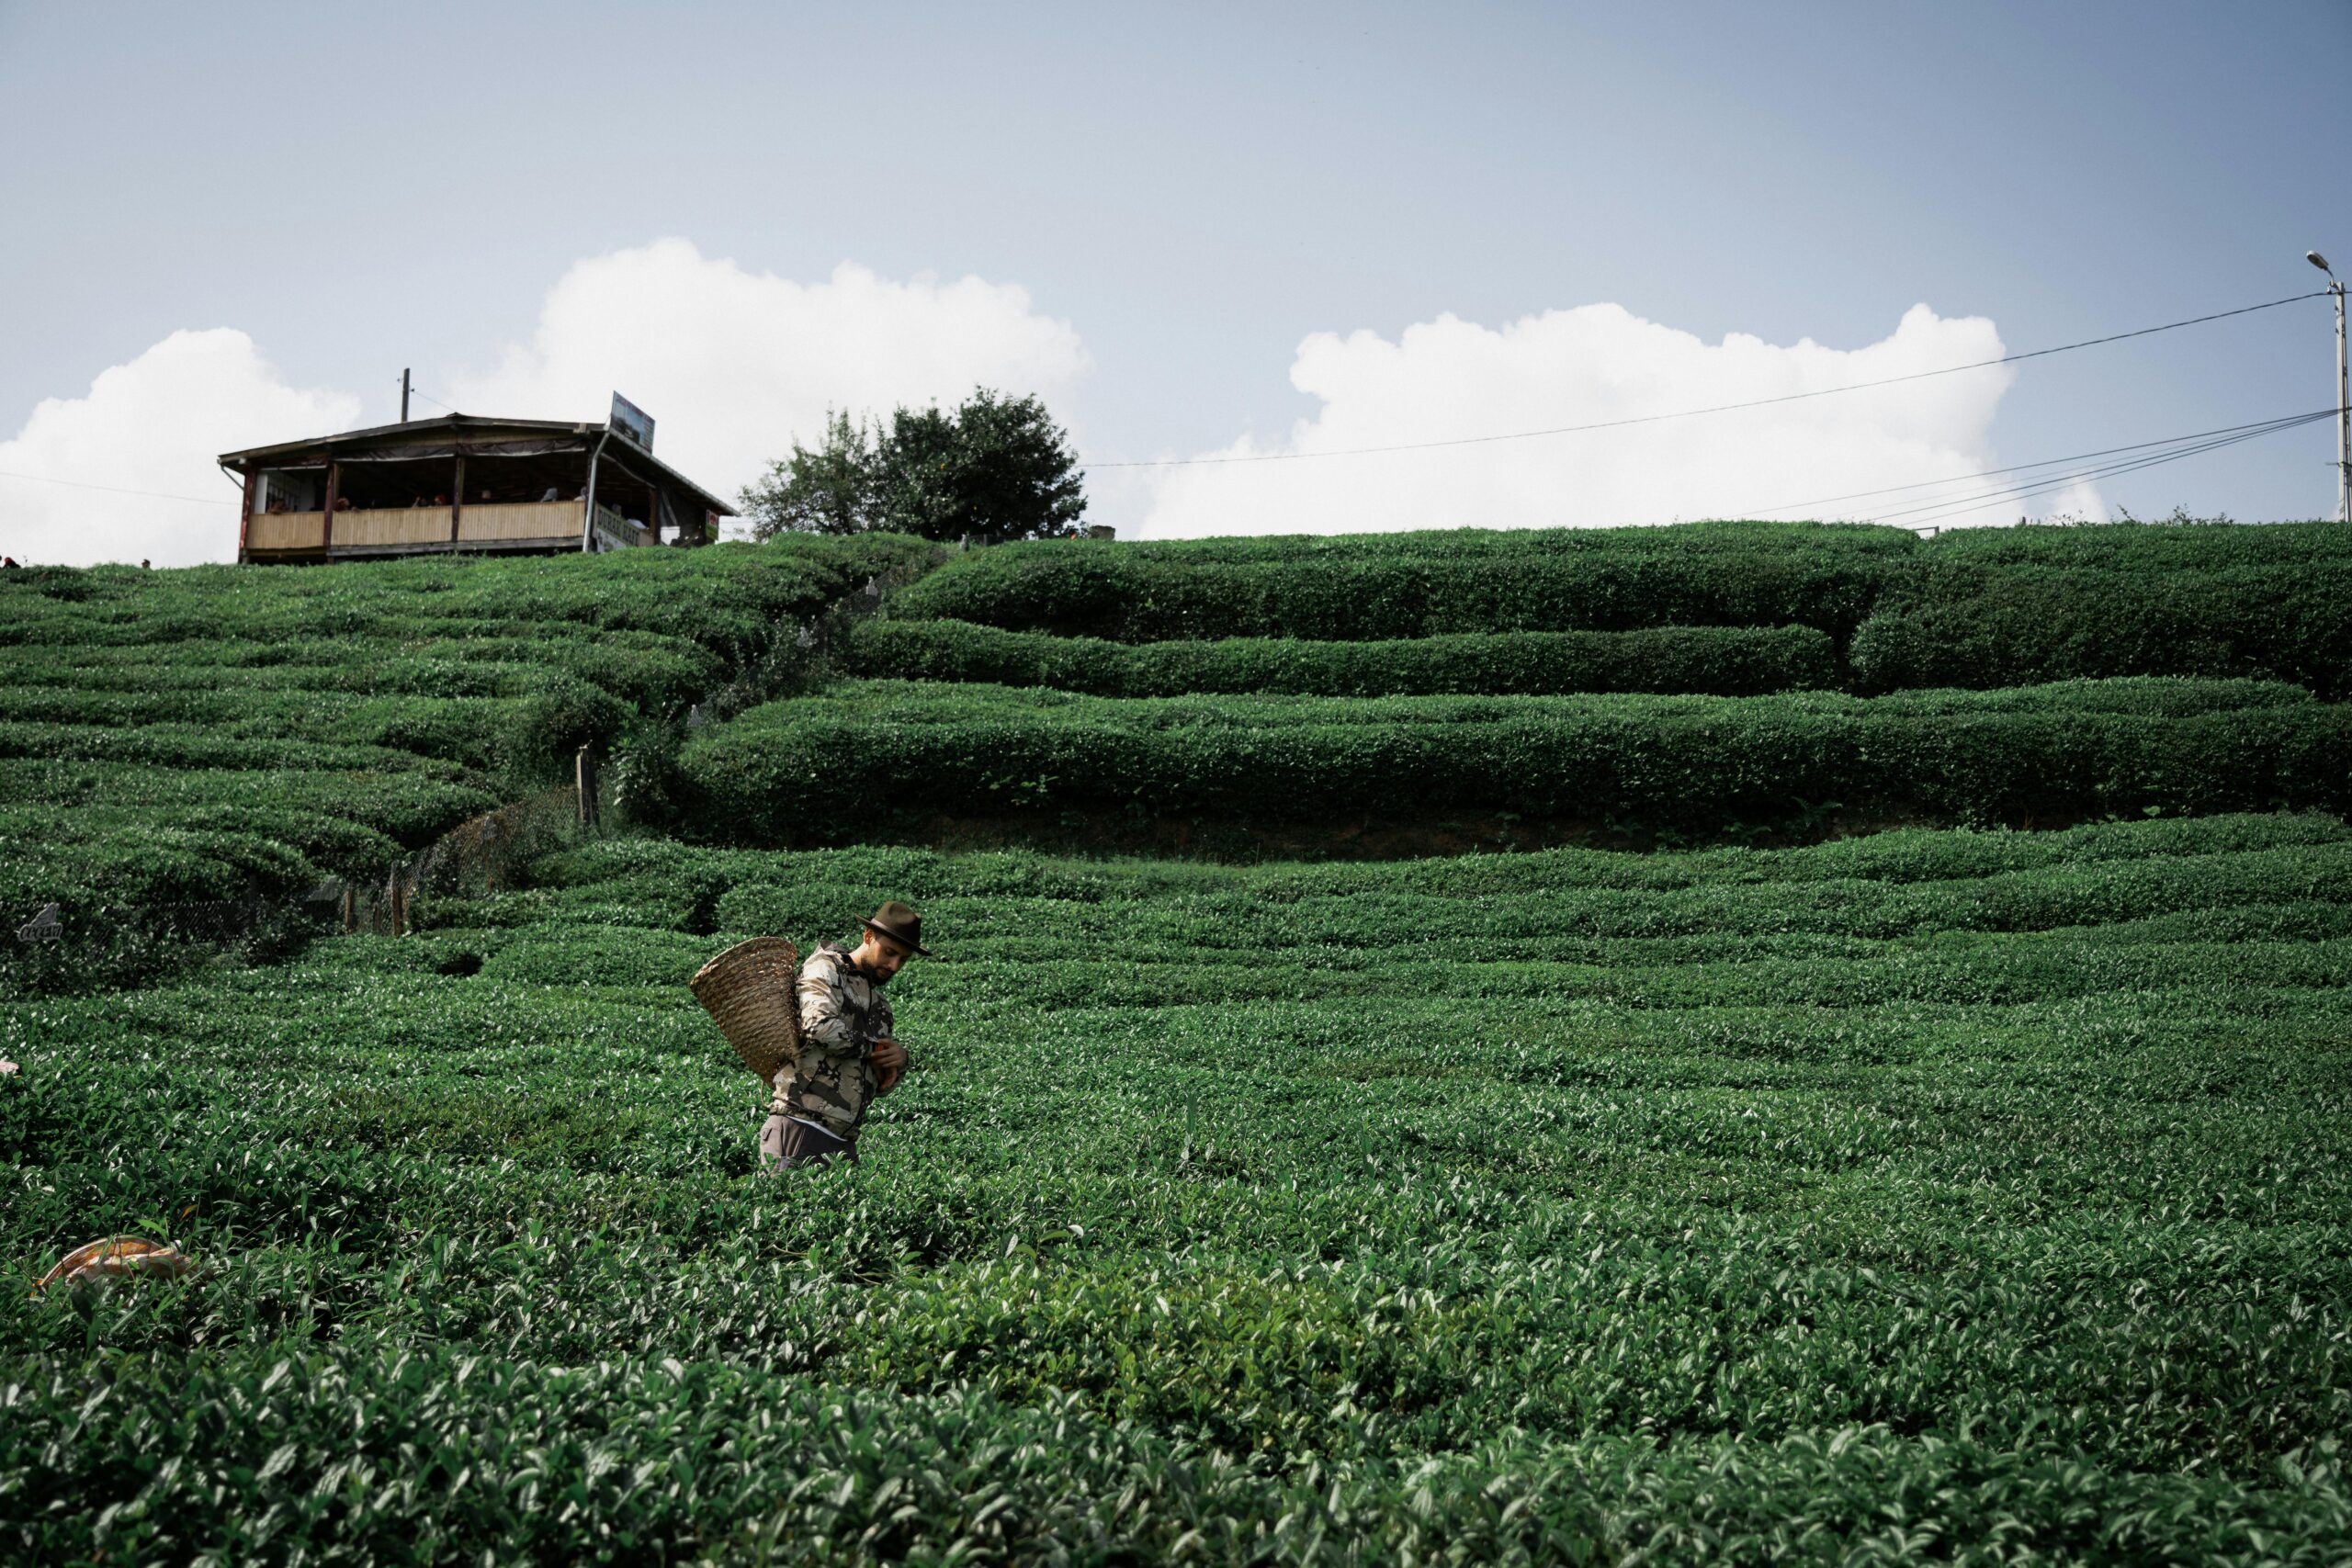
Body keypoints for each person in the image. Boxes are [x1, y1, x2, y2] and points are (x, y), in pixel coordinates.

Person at [761, 901, 925, 1170]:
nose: (894, 965)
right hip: (799, 1126)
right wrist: (875, 1049)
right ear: (868, 937)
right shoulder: (826, 968)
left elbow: (874, 1083)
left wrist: (897, 1062)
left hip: (843, 1141)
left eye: (903, 959)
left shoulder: (880, 1006)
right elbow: (819, 1027)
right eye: (889, 952)